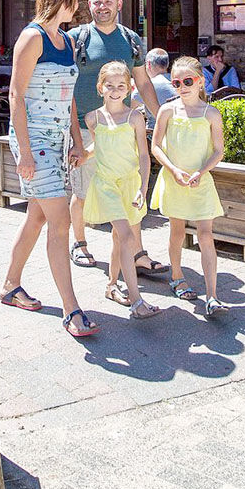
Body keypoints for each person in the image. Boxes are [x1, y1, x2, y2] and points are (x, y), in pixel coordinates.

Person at [0, 0, 98, 338]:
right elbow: (16, 95)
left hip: (57, 141)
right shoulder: (32, 37)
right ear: (60, 0)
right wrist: (24, 152)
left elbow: (68, 97)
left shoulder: (67, 41)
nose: (78, 5)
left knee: (37, 217)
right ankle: (71, 309)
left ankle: (10, 286)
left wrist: (77, 141)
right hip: (33, 141)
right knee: (61, 222)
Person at [67, 0, 165, 278]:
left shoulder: (130, 39)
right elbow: (65, 86)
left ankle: (137, 253)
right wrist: (75, 137)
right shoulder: (75, 38)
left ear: (119, 4)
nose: (102, 6)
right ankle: (80, 243)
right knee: (84, 189)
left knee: (127, 188)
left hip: (121, 128)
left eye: (108, 1)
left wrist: (159, 118)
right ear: (89, 5)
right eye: (97, 2)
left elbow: (143, 83)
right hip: (85, 126)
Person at [82, 61, 161, 319]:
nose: (115, 91)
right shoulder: (93, 118)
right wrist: (82, 155)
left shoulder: (135, 117)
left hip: (130, 184)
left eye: (120, 86)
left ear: (128, 89)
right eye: (110, 85)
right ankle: (137, 301)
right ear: (100, 87)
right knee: (127, 237)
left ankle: (111, 285)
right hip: (106, 184)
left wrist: (142, 187)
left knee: (119, 238)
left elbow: (144, 156)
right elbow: (99, 146)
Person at [151, 56, 227, 314]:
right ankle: (177, 277)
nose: (182, 86)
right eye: (176, 82)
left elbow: (218, 151)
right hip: (175, 181)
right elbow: (156, 146)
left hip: (201, 181)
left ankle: (212, 295)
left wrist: (201, 172)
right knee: (177, 232)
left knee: (206, 235)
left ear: (200, 81)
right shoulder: (167, 110)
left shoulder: (211, 113)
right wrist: (173, 170)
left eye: (188, 81)